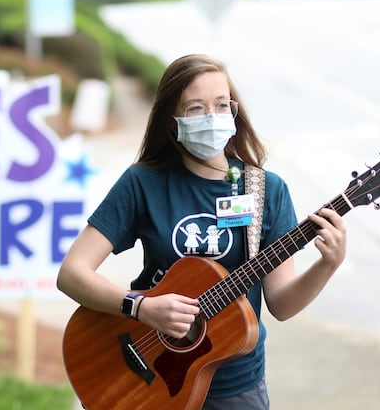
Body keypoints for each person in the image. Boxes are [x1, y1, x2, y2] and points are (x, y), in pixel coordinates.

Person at [56, 54, 347, 409]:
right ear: (172, 119)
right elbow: (72, 274)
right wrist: (142, 307)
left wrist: (326, 266)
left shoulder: (266, 190)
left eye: (222, 105)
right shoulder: (143, 183)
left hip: (237, 388)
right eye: (196, 108)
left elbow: (282, 305)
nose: (212, 118)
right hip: (150, 378)